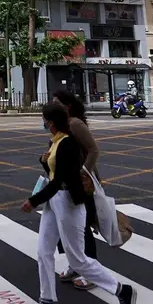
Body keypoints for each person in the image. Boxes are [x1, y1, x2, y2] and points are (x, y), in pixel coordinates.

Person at [20, 103, 136, 304]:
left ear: (51, 122)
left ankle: (122, 291)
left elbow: (60, 180)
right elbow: (53, 174)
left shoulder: (68, 144)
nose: (42, 123)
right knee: (44, 251)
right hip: (55, 202)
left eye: (44, 119)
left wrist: (33, 201)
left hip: (69, 203)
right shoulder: (55, 142)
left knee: (78, 259)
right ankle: (46, 302)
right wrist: (44, 162)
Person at [52, 90, 100, 290]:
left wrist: (83, 172)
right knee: (66, 225)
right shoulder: (62, 125)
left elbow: (94, 150)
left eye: (56, 103)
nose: (52, 106)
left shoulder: (75, 124)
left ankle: (91, 270)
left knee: (83, 226)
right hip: (63, 182)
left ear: (67, 106)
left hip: (80, 182)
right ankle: (75, 264)